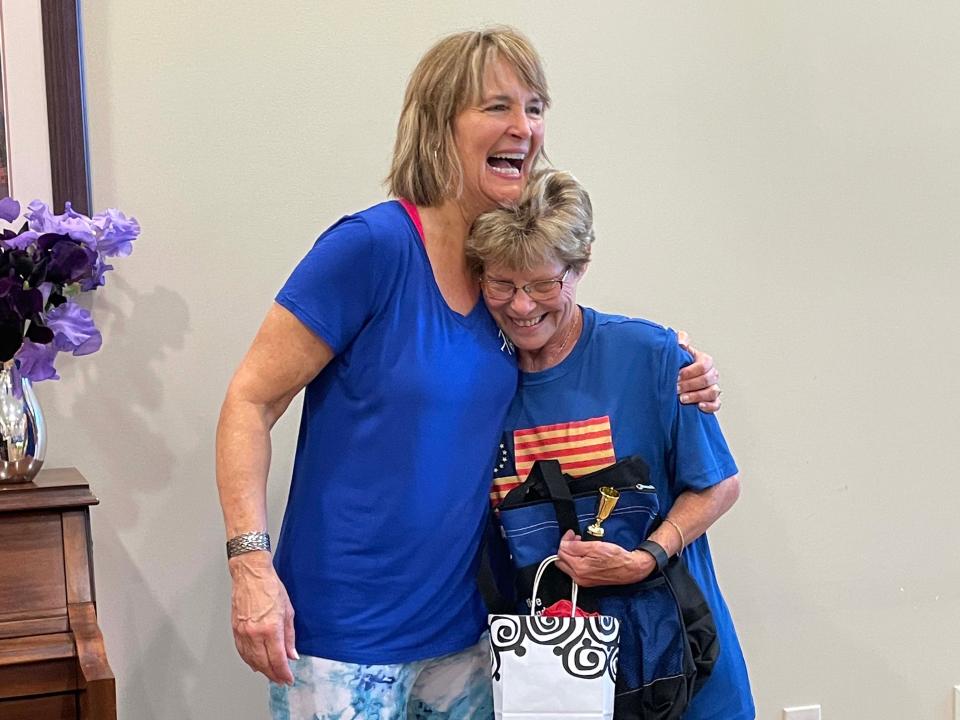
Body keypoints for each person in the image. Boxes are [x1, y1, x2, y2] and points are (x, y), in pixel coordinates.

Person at [215, 27, 721, 719]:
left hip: (464, 635)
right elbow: (249, 400)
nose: (524, 127)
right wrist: (250, 565)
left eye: (536, 107)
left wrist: (679, 364)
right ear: (438, 124)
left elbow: (573, 336)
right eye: (498, 107)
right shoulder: (371, 247)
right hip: (343, 636)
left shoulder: (500, 281)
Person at [469, 168, 754, 719]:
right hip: (549, 686)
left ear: (580, 266)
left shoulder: (649, 356)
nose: (522, 306)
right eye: (502, 284)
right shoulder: (473, 380)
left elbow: (719, 484)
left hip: (677, 670)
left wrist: (647, 556)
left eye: (544, 284)